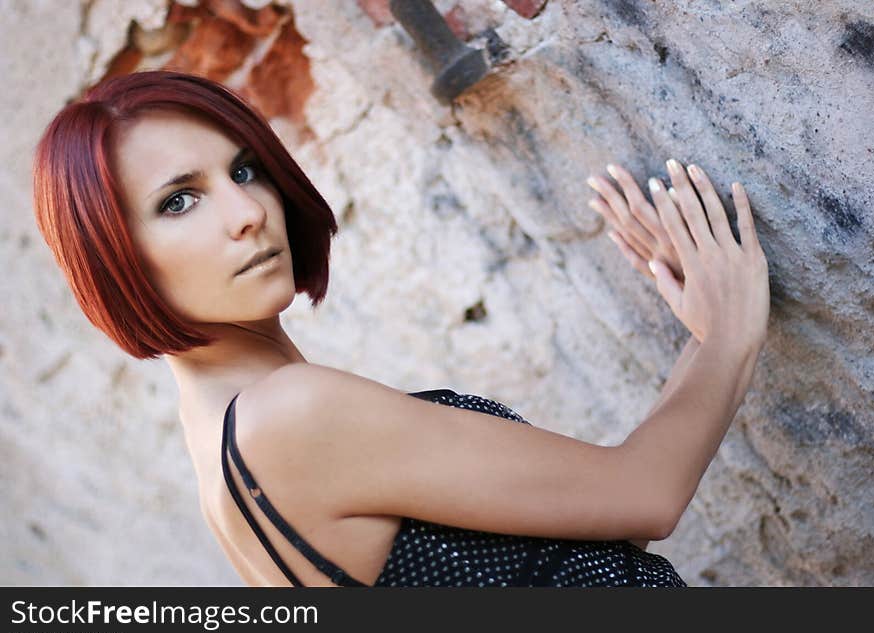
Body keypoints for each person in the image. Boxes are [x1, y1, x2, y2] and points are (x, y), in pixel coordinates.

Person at [32, 70, 769, 587]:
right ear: (112, 255)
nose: (247, 211)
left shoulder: (227, 455)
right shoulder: (288, 415)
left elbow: (591, 532)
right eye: (179, 201)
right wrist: (732, 329)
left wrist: (704, 340)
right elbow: (647, 494)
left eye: (245, 168)